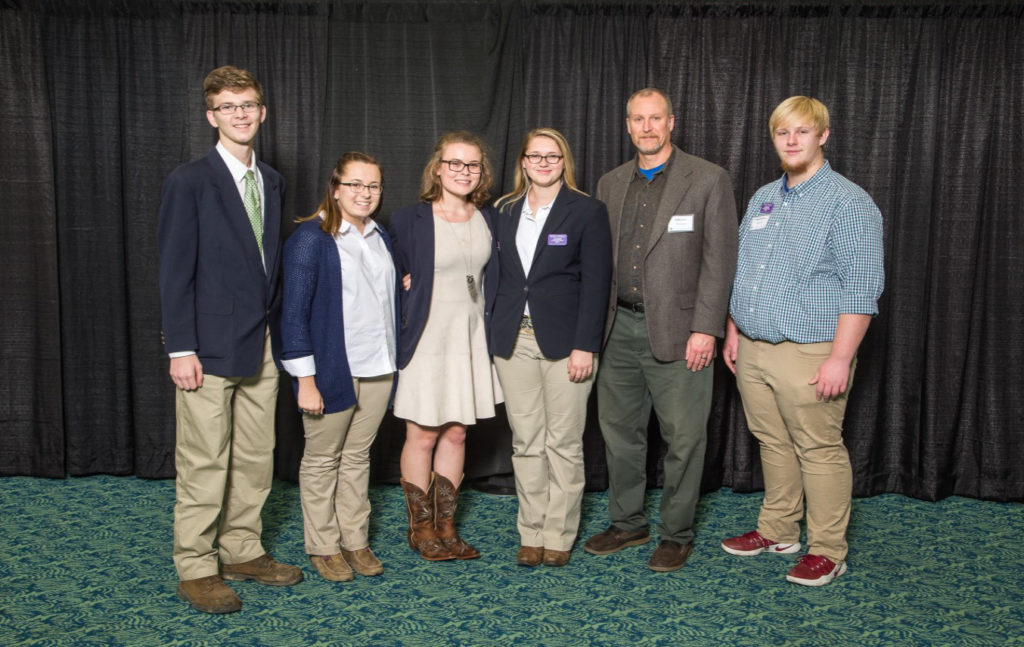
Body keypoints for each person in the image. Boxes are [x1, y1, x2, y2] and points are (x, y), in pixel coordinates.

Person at [720, 96, 884, 587]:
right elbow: (746, 269)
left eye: (802, 132)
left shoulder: (849, 203)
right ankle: (778, 530)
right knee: (772, 440)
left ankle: (828, 550)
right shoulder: (763, 197)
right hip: (753, 346)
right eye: (782, 132)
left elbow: (861, 287)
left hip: (812, 350)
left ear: (823, 136)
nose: (791, 141)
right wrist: (733, 329)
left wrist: (840, 357)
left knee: (818, 447)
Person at [158, 65, 301, 614]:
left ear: (262, 113)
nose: (240, 115)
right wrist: (181, 347)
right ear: (211, 115)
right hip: (207, 344)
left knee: (256, 453)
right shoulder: (189, 181)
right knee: (204, 458)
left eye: (248, 106)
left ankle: (241, 547)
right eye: (228, 107)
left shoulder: (271, 179)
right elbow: (175, 270)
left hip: (260, 340)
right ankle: (196, 565)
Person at [583, 88, 738, 572]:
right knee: (620, 434)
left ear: (672, 122)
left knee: (684, 438)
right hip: (618, 328)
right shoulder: (609, 184)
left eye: (656, 118)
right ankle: (627, 522)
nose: (647, 127)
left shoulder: (708, 179)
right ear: (627, 125)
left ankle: (676, 532)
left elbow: (720, 260)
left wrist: (706, 328)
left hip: (681, 331)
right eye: (637, 119)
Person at [490, 128, 612, 567]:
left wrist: (586, 345)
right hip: (513, 341)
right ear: (522, 161)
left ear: (565, 161)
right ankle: (531, 530)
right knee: (526, 442)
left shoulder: (587, 211)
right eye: (535, 156)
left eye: (552, 156)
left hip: (567, 345)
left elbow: (597, 285)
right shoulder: (502, 211)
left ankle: (558, 535)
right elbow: (491, 274)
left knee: (563, 442)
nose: (543, 163)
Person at [280, 152, 398, 582]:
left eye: (373, 186)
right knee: (322, 459)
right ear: (335, 188)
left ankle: (355, 539)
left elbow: (387, 294)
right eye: (355, 185)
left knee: (357, 457)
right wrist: (305, 381)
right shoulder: (312, 239)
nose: (365, 194)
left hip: (379, 365)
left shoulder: (382, 237)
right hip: (332, 368)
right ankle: (324, 545)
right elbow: (292, 315)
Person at [388, 131, 501, 561]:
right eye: (454, 163)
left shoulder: (491, 218)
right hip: (428, 335)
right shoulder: (408, 220)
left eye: (471, 165)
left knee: (456, 432)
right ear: (437, 168)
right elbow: (384, 274)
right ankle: (420, 529)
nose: (463, 171)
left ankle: (446, 526)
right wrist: (406, 288)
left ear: (481, 172)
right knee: (421, 433)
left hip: (472, 337)